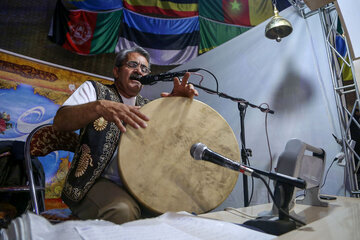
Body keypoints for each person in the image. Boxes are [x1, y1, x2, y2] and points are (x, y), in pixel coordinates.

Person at [53, 46, 198, 224]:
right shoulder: (95, 91)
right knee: (123, 211)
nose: (139, 70)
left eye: (144, 69)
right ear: (116, 71)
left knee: (178, 212)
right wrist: (98, 107)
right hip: (95, 182)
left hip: (140, 185)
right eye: (132, 65)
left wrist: (176, 104)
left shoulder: (149, 106)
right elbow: (60, 122)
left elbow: (171, 142)